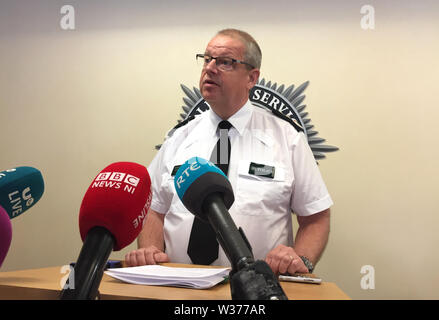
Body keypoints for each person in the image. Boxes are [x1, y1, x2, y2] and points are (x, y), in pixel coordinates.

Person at [125, 29, 332, 275]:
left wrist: (301, 261)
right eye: (207, 59)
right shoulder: (179, 137)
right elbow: (153, 208)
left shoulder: (287, 138)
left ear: (251, 77)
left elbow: (316, 217)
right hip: (180, 287)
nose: (210, 68)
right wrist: (150, 251)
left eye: (225, 62)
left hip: (256, 291)